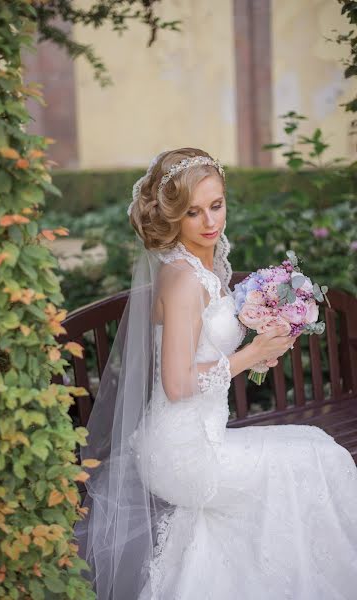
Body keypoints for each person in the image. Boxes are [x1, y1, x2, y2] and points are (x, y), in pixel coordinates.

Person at [75, 148, 357, 600]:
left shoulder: (203, 267)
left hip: (201, 439)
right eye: (193, 211)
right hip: (183, 454)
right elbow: (178, 382)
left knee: (311, 455)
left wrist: (259, 347)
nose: (210, 221)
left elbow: (205, 352)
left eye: (217, 205)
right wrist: (251, 355)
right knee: (321, 458)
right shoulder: (185, 279)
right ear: (173, 217)